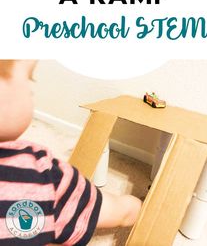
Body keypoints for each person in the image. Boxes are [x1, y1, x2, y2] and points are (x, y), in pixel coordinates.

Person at [0, 61, 142, 245]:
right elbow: (110, 211)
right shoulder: (39, 174)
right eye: (29, 78)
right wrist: (134, 208)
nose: (31, 90)